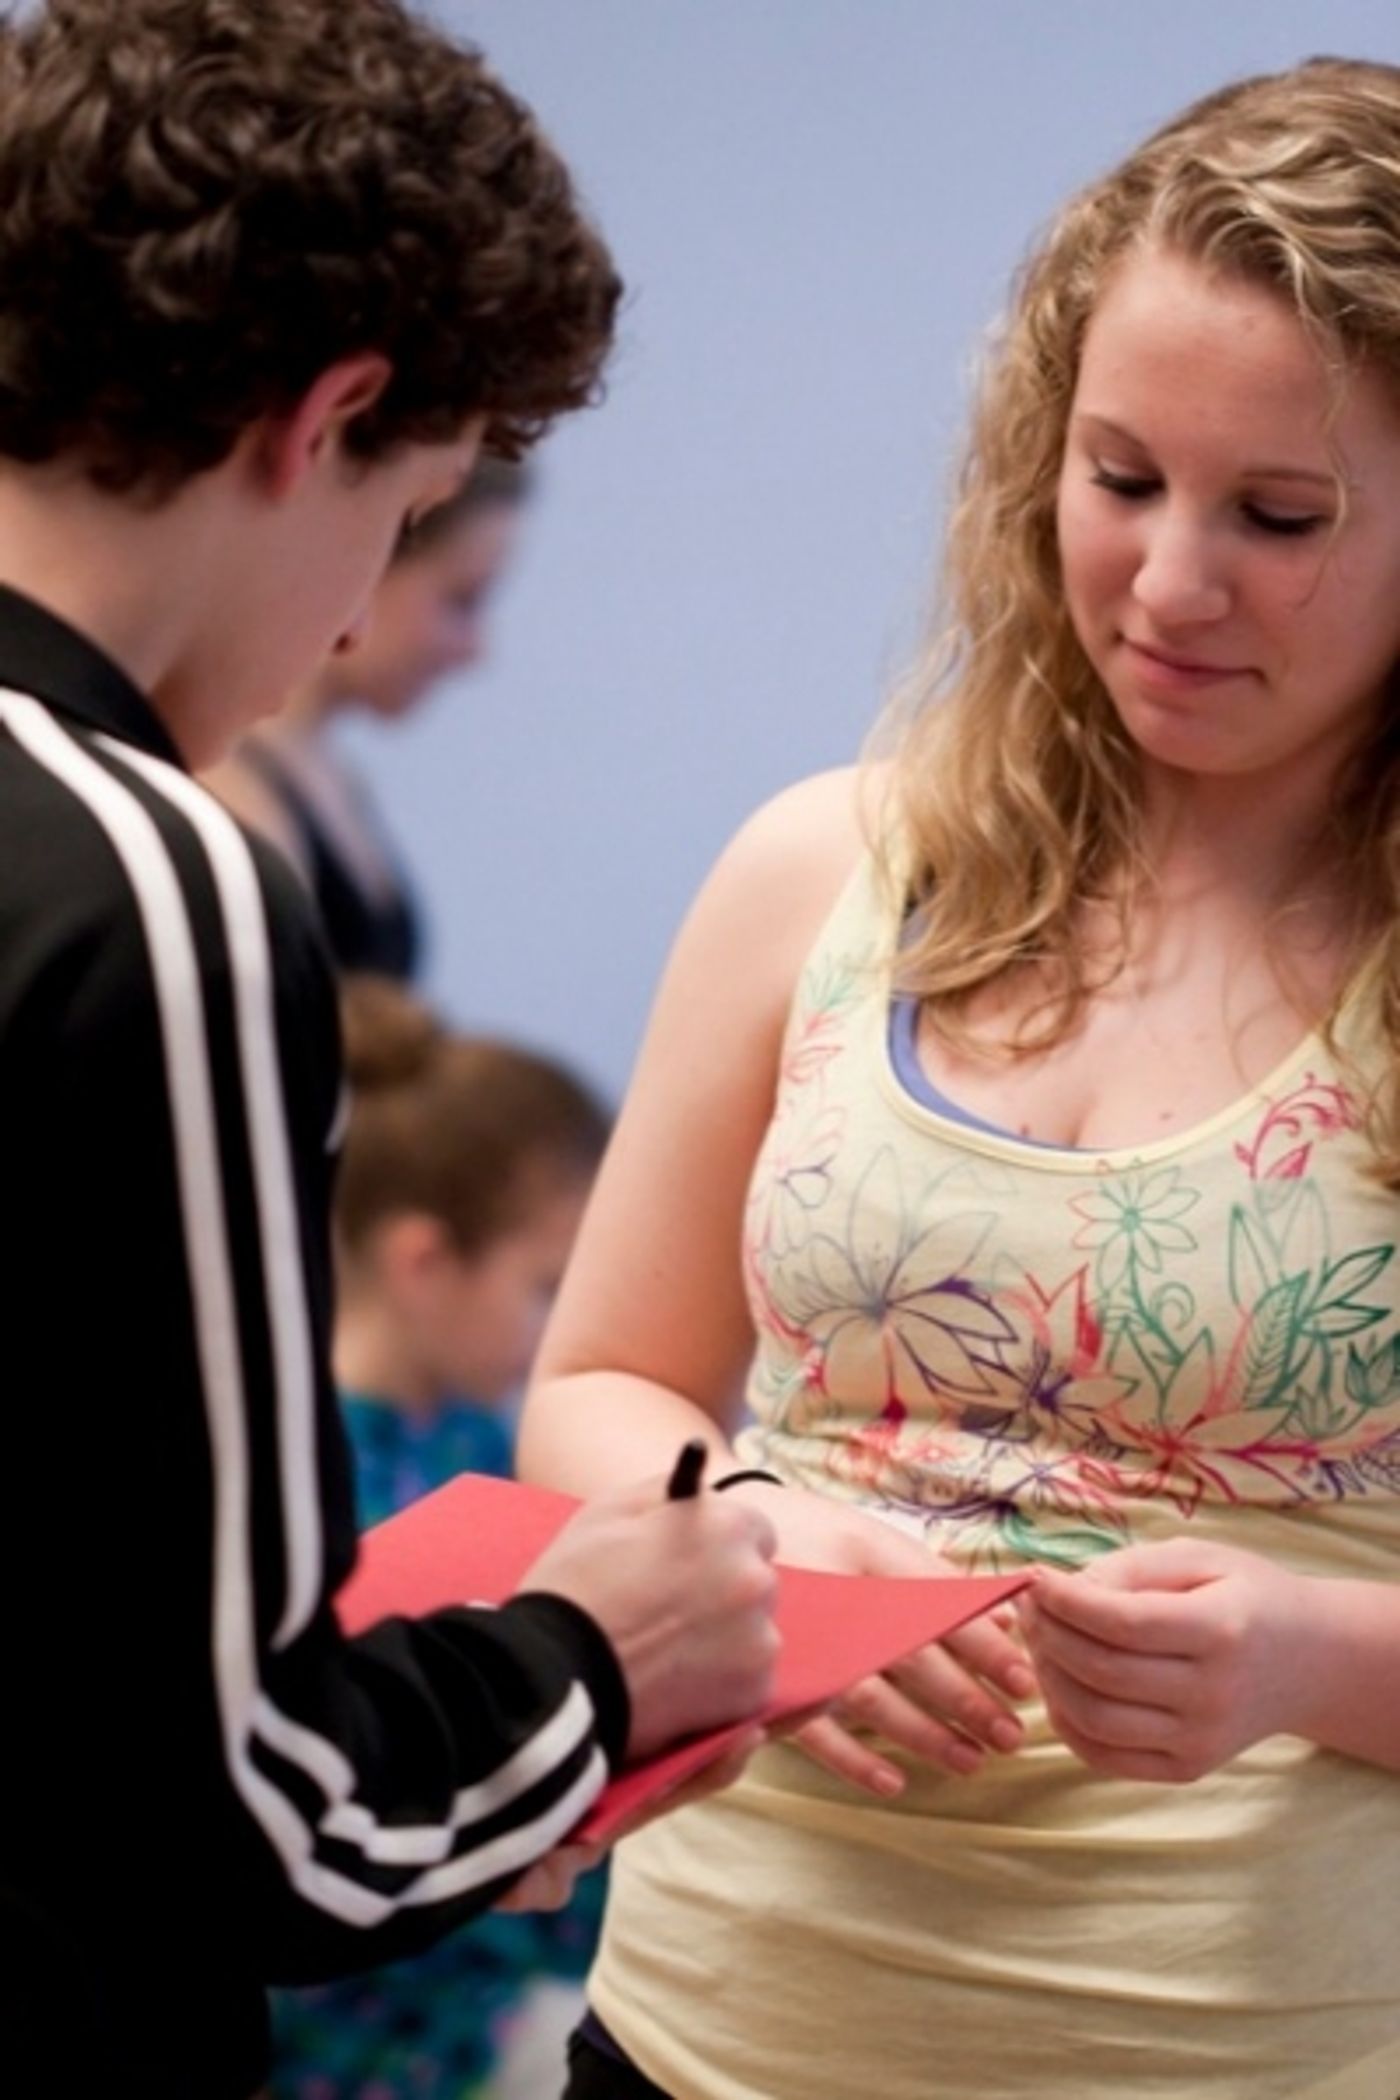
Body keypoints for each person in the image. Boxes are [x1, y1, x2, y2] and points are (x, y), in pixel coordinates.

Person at [518, 54, 1400, 2100]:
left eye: (1279, 519)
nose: (1169, 587)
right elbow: (596, 1389)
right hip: (708, 2024)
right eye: (1117, 479)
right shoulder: (824, 867)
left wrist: (1308, 1658)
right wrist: (744, 1522)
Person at [0, 5, 781, 2095]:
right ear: (326, 414)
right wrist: (596, 1669)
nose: (358, 620)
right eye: (406, 500)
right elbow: (251, 1819)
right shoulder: (143, 888)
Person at [269, 974, 613, 2098]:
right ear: (423, 1261)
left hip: (471, 2013)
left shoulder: (473, 1438)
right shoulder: (311, 1486)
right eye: (543, 1285)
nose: (564, 1329)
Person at [203, 456, 529, 979]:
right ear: (372, 558)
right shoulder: (228, 784)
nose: (476, 650)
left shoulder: (332, 774)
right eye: (461, 600)